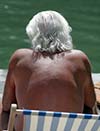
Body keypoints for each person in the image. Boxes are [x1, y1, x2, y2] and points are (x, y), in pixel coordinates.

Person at [0, 10, 97, 130]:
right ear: (65, 33)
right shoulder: (79, 59)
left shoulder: (19, 58)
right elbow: (91, 104)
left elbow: (6, 107)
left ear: (33, 33)